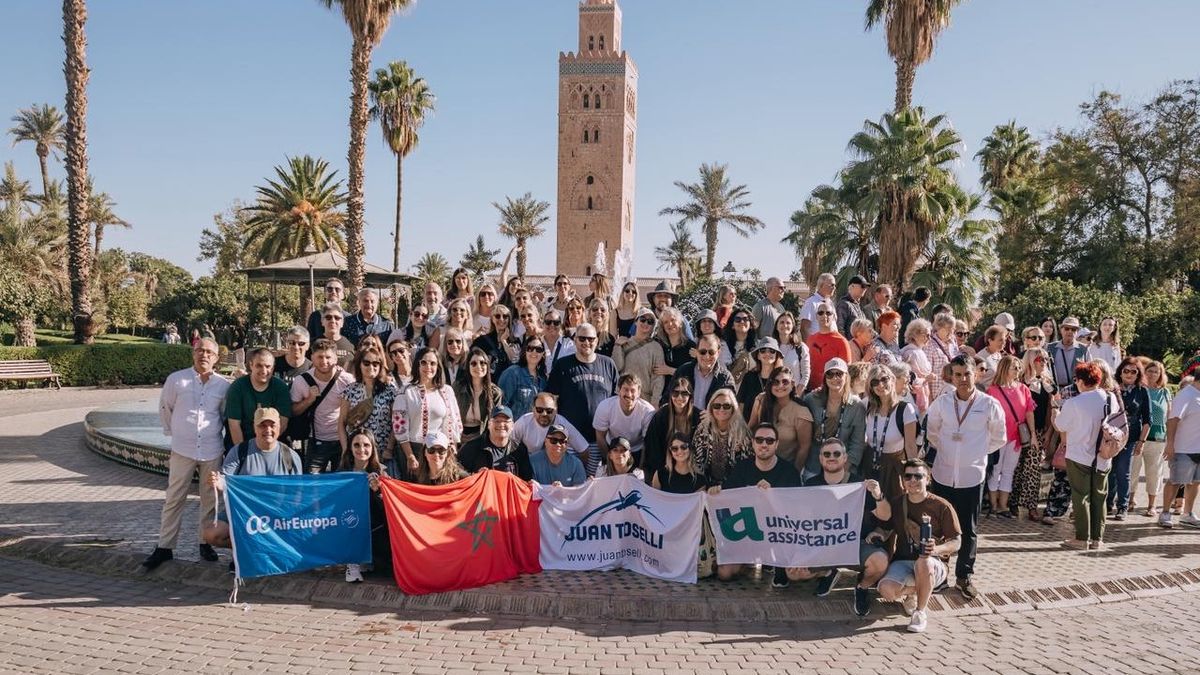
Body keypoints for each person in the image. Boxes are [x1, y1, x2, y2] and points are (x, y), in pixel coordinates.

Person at [142, 339, 231, 571]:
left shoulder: (223, 385)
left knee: (209, 498)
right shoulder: (176, 380)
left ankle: (205, 542)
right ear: (193, 353)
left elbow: (223, 416)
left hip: (211, 448)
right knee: (174, 497)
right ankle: (165, 546)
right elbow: (165, 409)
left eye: (209, 352)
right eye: (200, 350)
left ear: (216, 358)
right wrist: (177, 433)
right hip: (183, 449)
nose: (204, 355)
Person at [924, 354, 1006, 599]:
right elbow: (933, 432)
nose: (962, 379)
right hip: (943, 473)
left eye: (967, 374)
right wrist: (951, 450)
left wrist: (976, 451)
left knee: (968, 530)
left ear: (976, 374)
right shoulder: (942, 402)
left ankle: (964, 576)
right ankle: (940, 575)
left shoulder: (989, 404)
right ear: (951, 376)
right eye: (957, 375)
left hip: (972, 475)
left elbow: (998, 438)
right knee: (941, 528)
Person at [797, 438, 891, 613]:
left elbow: (885, 516)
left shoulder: (859, 484)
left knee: (879, 562)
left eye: (836, 454)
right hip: (823, 545)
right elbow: (800, 520)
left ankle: (862, 588)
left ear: (845, 458)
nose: (831, 457)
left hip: (855, 545)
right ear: (820, 458)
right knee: (794, 572)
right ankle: (827, 572)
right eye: (827, 454)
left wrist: (878, 496)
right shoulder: (811, 485)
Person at [710, 422, 802, 587]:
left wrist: (772, 494)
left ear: (777, 444)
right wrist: (717, 492)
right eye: (759, 440)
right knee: (724, 574)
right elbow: (728, 497)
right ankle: (750, 562)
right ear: (753, 443)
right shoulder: (742, 467)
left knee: (790, 577)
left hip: (778, 536)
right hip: (748, 534)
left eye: (769, 440)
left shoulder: (789, 472)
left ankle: (774, 562)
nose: (764, 444)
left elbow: (796, 511)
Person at [877, 459, 961, 634]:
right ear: (903, 480)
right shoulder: (898, 502)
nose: (912, 480)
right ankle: (918, 591)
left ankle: (920, 612)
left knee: (923, 562)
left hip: (933, 564)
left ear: (928, 479)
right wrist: (877, 534)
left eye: (918, 476)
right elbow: (887, 527)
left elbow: (957, 541)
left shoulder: (941, 505)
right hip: (903, 562)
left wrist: (936, 550)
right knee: (885, 590)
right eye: (908, 476)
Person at [200, 407, 304, 550]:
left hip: (278, 516)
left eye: (272, 425)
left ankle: (273, 549)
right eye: (262, 425)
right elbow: (225, 481)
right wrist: (218, 483)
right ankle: (245, 551)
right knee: (211, 533)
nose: (268, 430)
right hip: (245, 514)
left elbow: (297, 495)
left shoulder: (291, 456)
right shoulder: (239, 451)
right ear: (254, 428)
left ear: (279, 427)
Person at [1056, 361, 1127, 549]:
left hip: (1079, 455)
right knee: (1100, 496)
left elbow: (1061, 425)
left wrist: (1056, 411)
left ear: (1080, 381)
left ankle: (1081, 538)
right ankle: (1097, 539)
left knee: (1081, 497)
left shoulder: (1074, 402)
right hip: (1104, 455)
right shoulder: (1110, 398)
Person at [545, 322, 620, 476]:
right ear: (575, 340)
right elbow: (551, 399)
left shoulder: (608, 364)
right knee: (570, 483)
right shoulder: (563, 365)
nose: (587, 342)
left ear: (597, 340)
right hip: (569, 440)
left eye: (591, 339)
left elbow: (615, 401)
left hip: (598, 440)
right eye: (582, 338)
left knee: (595, 486)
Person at [393, 347, 462, 477]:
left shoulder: (446, 391)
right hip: (414, 449)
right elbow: (400, 428)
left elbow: (453, 422)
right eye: (423, 362)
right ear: (417, 364)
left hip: (440, 451)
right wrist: (410, 456)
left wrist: (451, 452)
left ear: (438, 367)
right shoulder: (405, 391)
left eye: (433, 363)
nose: (428, 367)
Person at [290, 338, 354, 474]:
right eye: (320, 357)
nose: (324, 362)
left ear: (336, 358)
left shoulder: (347, 380)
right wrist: (309, 400)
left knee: (341, 483)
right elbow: (293, 411)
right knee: (311, 483)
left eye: (328, 357)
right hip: (316, 440)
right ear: (312, 357)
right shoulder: (301, 381)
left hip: (342, 440)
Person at [986, 355, 1038, 519]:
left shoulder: (1023, 389)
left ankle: (1003, 505)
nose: (1018, 370)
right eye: (1014, 367)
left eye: (1018, 367)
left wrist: (1033, 434)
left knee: (1008, 471)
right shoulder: (992, 390)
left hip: (1016, 437)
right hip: (998, 436)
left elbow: (1029, 412)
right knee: (996, 470)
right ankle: (993, 506)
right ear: (1004, 368)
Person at [337, 429, 389, 583]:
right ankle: (352, 563)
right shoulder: (342, 472)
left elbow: (388, 508)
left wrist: (378, 491)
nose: (361, 449)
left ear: (372, 448)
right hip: (350, 522)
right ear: (350, 448)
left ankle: (367, 557)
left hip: (375, 525)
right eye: (357, 445)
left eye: (366, 445)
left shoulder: (382, 472)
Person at [802, 358, 867, 478]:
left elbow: (857, 444)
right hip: (813, 466)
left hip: (843, 468)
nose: (834, 378)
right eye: (830, 374)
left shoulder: (857, 406)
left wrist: (841, 471)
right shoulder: (810, 400)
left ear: (846, 377)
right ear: (825, 378)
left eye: (839, 374)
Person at [863, 364, 919, 502]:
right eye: (875, 382)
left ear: (892, 380)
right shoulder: (866, 405)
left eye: (884, 379)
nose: (880, 385)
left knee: (896, 511)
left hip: (894, 468)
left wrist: (914, 474)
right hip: (869, 466)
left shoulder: (905, 409)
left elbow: (911, 446)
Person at [748, 366, 814, 473]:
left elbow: (804, 447)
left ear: (792, 384)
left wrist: (793, 473)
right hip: (758, 464)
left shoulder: (801, 412)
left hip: (786, 469)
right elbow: (750, 427)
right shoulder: (761, 400)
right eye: (775, 382)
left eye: (785, 382)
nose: (780, 386)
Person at [1107, 357, 1150, 519]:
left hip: (1130, 438)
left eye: (1134, 371)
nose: (1129, 374)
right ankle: (1108, 503)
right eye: (1126, 370)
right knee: (1109, 471)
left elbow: (1147, 420)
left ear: (1138, 374)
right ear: (1120, 371)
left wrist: (1141, 442)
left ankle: (1122, 506)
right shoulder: (1112, 389)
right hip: (1110, 437)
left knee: (1123, 471)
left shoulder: (1142, 391)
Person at [1015, 348, 1054, 521]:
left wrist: (1049, 431)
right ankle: (1013, 502)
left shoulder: (1048, 382)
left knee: (1033, 469)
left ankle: (1031, 506)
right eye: (1040, 358)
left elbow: (1052, 409)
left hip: (1038, 431)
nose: (1044, 361)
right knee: (1017, 467)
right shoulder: (1020, 380)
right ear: (1030, 360)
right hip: (1019, 429)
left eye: (1046, 358)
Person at [224, 347, 292, 448]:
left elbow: (282, 422)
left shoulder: (281, 388)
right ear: (251, 365)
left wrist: (265, 445)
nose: (264, 370)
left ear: (273, 368)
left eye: (268, 366)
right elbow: (234, 425)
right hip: (242, 441)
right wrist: (243, 451)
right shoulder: (238, 387)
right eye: (259, 366)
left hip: (271, 441)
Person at [1159, 367, 1200, 529]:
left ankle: (1187, 514)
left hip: (1198, 449)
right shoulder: (1186, 395)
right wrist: (1170, 444)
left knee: (1195, 482)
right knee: (1175, 481)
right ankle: (1165, 512)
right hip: (1183, 448)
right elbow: (1172, 420)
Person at [642, 378, 702, 481]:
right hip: (664, 469)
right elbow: (652, 448)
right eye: (675, 393)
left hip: (692, 469)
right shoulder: (660, 416)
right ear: (670, 395)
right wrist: (662, 473)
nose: (679, 397)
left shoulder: (698, 417)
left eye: (684, 394)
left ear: (690, 397)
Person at [1131, 360, 1170, 517]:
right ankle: (1130, 500)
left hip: (1158, 438)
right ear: (1144, 372)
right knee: (1133, 470)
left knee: (1154, 473)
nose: (1152, 374)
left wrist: (1170, 439)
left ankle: (1151, 505)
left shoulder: (1165, 392)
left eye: (1156, 371)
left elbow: (1169, 415)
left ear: (1161, 374)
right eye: (1150, 371)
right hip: (1138, 436)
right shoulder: (1139, 390)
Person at [691, 388, 752, 486]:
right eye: (717, 406)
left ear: (733, 408)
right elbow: (696, 460)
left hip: (734, 487)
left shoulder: (742, 433)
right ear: (711, 408)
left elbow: (747, 465)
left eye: (726, 406)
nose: (721, 409)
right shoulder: (703, 429)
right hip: (706, 485)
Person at [593, 374, 656, 466]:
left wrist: (641, 467)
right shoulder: (605, 406)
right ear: (619, 390)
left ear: (639, 393)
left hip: (636, 450)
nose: (629, 394)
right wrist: (609, 462)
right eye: (625, 389)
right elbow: (600, 437)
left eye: (633, 390)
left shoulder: (648, 411)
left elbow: (648, 442)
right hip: (612, 449)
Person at [456, 405, 532, 479]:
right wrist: (474, 477)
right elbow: (457, 471)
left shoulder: (519, 449)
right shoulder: (471, 448)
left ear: (512, 426)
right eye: (497, 421)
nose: (501, 424)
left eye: (506, 421)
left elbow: (526, 479)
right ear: (489, 424)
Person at [512, 392, 590, 458]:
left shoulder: (562, 423)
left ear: (556, 410)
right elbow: (509, 444)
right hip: (529, 464)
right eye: (539, 410)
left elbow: (584, 450)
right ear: (533, 409)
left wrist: (579, 470)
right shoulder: (524, 421)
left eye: (549, 411)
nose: (544, 414)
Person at [613, 307, 665, 404]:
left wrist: (655, 401)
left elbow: (658, 378)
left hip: (645, 400)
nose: (645, 323)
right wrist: (617, 346)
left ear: (653, 326)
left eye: (650, 322)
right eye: (643, 319)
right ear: (636, 321)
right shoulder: (624, 342)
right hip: (624, 397)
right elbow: (617, 367)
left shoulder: (656, 347)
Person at [669, 334, 734, 411]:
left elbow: (731, 408)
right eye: (702, 352)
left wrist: (712, 414)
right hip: (684, 421)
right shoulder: (683, 371)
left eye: (711, 352)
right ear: (696, 352)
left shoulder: (725, 378)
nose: (707, 356)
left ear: (718, 352)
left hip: (711, 421)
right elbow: (667, 398)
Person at [453, 348, 503, 442]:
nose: (478, 366)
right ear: (468, 366)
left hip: (481, 438)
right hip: (458, 436)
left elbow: (495, 420)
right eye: (473, 363)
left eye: (482, 363)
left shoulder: (495, 393)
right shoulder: (458, 387)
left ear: (487, 366)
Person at [498, 334, 549, 420]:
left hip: (533, 429)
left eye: (538, 349)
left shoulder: (543, 380)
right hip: (514, 429)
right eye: (530, 348)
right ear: (525, 350)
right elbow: (501, 405)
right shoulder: (512, 373)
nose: (534, 352)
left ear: (543, 354)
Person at [805, 301, 852, 392]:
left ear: (834, 317)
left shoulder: (841, 341)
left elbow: (846, 370)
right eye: (820, 313)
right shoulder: (810, 339)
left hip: (831, 392)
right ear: (816, 317)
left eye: (828, 313)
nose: (824, 316)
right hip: (810, 391)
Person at [736, 338, 784, 422]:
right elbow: (741, 404)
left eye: (772, 351)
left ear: (777, 355)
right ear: (758, 355)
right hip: (749, 428)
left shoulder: (782, 379)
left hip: (774, 428)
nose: (767, 353)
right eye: (763, 350)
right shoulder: (749, 376)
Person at [654, 307, 696, 395]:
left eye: (673, 320)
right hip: (663, 395)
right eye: (665, 322)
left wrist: (670, 370)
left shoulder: (690, 347)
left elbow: (693, 375)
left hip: (683, 395)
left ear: (680, 323)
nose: (670, 324)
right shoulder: (659, 345)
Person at [473, 304, 521, 375]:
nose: (501, 319)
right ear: (492, 319)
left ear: (509, 319)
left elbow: (514, 360)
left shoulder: (515, 340)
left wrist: (504, 341)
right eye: (497, 316)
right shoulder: (482, 341)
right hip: (490, 381)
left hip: (509, 380)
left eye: (505, 316)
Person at [900, 319, 935, 413]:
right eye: (927, 335)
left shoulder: (918, 351)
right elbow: (912, 382)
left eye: (930, 335)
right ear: (915, 335)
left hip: (921, 398)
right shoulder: (912, 354)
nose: (929, 338)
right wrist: (927, 378)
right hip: (913, 400)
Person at [772, 312, 811, 392]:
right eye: (782, 322)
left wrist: (797, 394)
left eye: (788, 323)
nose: (785, 325)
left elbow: (805, 374)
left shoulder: (801, 348)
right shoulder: (771, 347)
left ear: (793, 327)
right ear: (776, 326)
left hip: (794, 394)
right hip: (774, 393)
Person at [1047, 316, 1087, 389]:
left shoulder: (1083, 349)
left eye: (1073, 329)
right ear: (1061, 330)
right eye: (1067, 328)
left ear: (1077, 332)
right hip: (1055, 391)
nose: (1070, 331)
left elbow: (1088, 371)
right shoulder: (1050, 347)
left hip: (1076, 391)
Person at [722, 307, 757, 384]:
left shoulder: (758, 346)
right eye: (738, 319)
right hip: (728, 386)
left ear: (750, 324)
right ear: (732, 325)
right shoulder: (723, 345)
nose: (742, 322)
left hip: (749, 387)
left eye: (745, 319)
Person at [306, 277, 347, 342]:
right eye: (330, 289)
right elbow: (309, 339)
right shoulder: (315, 316)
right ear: (325, 293)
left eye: (337, 289)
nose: (333, 292)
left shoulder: (348, 317)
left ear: (343, 295)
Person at [317, 302, 356, 369]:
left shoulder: (350, 346)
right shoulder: (313, 344)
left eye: (337, 318)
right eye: (328, 317)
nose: (333, 320)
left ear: (342, 323)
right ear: (322, 321)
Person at [799, 272, 837, 340]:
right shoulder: (811, 302)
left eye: (834, 285)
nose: (834, 288)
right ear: (821, 285)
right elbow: (804, 328)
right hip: (818, 346)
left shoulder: (830, 303)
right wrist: (810, 347)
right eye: (831, 285)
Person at [750, 276, 786, 341]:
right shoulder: (760, 306)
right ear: (770, 289)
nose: (783, 290)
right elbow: (752, 331)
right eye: (780, 287)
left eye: (784, 287)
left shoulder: (781, 307)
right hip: (764, 349)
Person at [837, 275, 868, 340]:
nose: (865, 289)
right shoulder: (844, 304)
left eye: (866, 287)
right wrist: (846, 346)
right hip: (849, 347)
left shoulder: (858, 306)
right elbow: (839, 329)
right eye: (862, 286)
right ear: (852, 286)